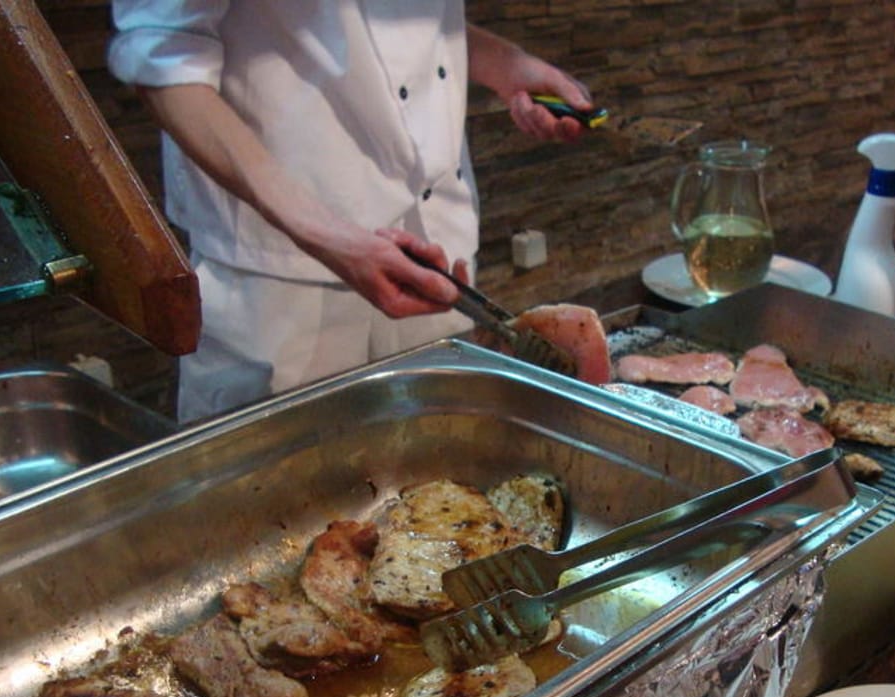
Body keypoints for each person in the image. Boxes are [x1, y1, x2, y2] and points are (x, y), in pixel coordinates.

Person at [108, 2, 592, 422]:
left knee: (447, 479)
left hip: (436, 249)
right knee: (279, 491)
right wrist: (324, 232)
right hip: (280, 281)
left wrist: (505, 63)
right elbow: (162, 55)